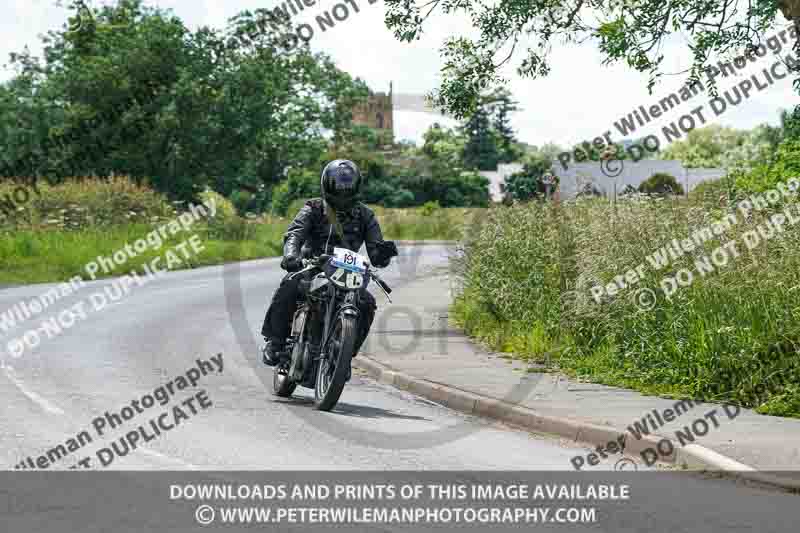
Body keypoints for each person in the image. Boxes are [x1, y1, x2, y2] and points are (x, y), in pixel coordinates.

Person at [261, 159, 398, 366]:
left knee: (367, 302)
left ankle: (345, 355)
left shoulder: (366, 216)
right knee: (290, 284)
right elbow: (295, 233)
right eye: (338, 188)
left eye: (347, 188)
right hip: (313, 266)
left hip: (347, 271)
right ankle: (276, 342)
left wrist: (384, 253)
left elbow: (376, 253)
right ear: (327, 185)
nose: (342, 193)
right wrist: (291, 255)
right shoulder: (313, 208)